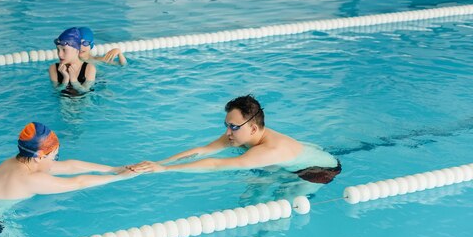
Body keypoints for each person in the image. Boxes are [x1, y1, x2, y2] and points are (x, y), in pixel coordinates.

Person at [131, 95, 341, 183]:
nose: (228, 132)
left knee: (279, 203)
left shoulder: (267, 151)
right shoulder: (240, 134)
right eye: (226, 125)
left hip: (317, 170)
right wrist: (159, 163)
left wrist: (166, 170)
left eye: (233, 127)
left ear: (253, 128)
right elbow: (203, 150)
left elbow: (215, 165)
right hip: (298, 154)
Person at [0, 122, 136, 200]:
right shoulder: (31, 179)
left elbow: (69, 166)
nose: (55, 161)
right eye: (54, 156)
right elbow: (78, 183)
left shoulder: (18, 162)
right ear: (39, 156)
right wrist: (119, 177)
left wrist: (112, 169)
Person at [48, 27, 96, 95]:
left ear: (77, 50)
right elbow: (56, 91)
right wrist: (65, 79)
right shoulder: (53, 68)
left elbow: (85, 91)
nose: (60, 54)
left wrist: (73, 80)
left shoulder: (89, 68)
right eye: (58, 50)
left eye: (64, 50)